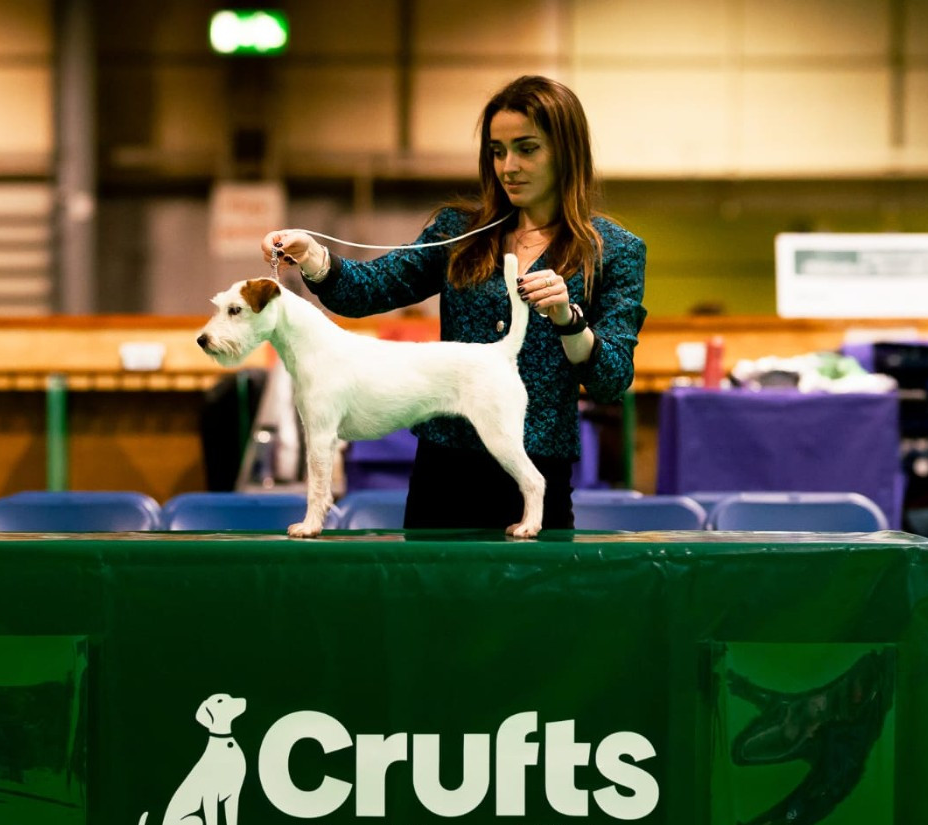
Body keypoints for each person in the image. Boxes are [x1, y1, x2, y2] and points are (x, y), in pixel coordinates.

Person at [262, 74, 647, 531]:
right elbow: (370, 289)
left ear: (567, 151)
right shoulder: (457, 231)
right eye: (498, 151)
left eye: (527, 149)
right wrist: (315, 257)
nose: (509, 167)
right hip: (442, 475)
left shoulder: (615, 250)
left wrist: (568, 320)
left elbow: (611, 380)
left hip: (536, 470)